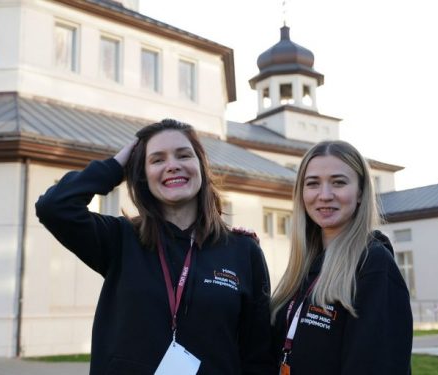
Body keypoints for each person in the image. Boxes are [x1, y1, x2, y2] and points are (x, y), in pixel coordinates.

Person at [35, 119, 276, 375]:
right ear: (141, 174)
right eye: (157, 160)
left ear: (201, 167)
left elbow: (257, 354)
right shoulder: (119, 238)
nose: (172, 166)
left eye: (183, 155)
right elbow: (54, 207)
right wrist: (116, 166)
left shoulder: (243, 251)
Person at [269, 140, 413, 374]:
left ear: (360, 193)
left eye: (338, 182)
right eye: (313, 183)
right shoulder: (305, 266)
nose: (324, 195)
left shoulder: (373, 265)